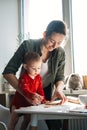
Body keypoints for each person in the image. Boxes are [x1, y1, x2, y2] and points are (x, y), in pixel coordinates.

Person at [3, 20, 68, 130]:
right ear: (44, 34)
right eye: (52, 41)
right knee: (24, 120)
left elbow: (59, 77)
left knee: (56, 125)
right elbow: (8, 72)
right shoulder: (27, 45)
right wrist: (27, 94)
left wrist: (59, 89)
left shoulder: (60, 52)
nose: (54, 46)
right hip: (25, 89)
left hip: (46, 91)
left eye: (59, 42)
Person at [8, 51, 46, 130]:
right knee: (14, 120)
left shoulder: (38, 78)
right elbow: (24, 90)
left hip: (28, 103)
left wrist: (43, 99)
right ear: (25, 66)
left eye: (39, 68)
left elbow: (40, 90)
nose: (36, 71)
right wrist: (33, 95)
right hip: (18, 103)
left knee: (27, 120)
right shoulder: (24, 77)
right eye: (33, 68)